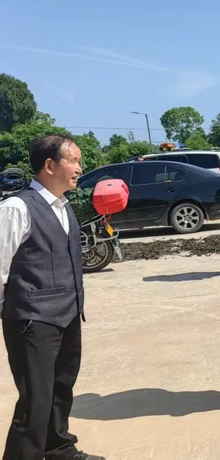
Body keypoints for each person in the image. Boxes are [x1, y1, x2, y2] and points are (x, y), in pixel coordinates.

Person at [0, 135, 104, 460]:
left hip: (68, 314)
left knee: (61, 388)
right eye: (73, 161)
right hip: (31, 320)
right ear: (49, 165)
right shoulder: (16, 208)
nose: (79, 168)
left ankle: (59, 450)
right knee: (35, 399)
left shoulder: (63, 206)